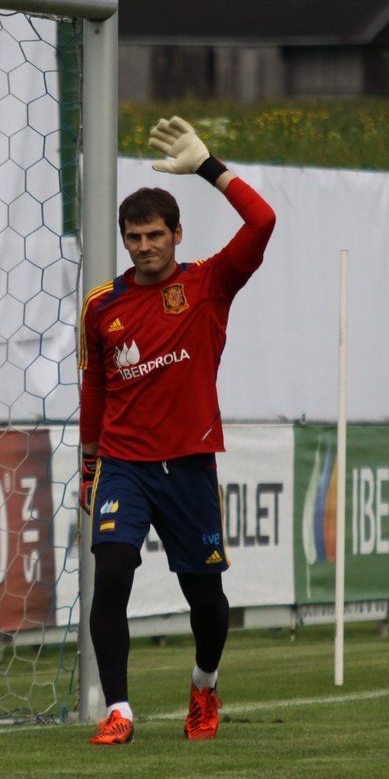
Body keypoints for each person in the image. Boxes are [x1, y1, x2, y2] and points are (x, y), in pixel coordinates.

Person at [78, 116, 276, 745]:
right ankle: (119, 710)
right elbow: (95, 390)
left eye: (155, 235)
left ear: (176, 234)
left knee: (206, 600)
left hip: (189, 464)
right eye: (134, 237)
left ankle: (204, 684)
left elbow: (264, 222)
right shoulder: (102, 306)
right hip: (124, 466)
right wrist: (88, 466)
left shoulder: (209, 283)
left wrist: (210, 168)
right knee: (112, 574)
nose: (144, 247)